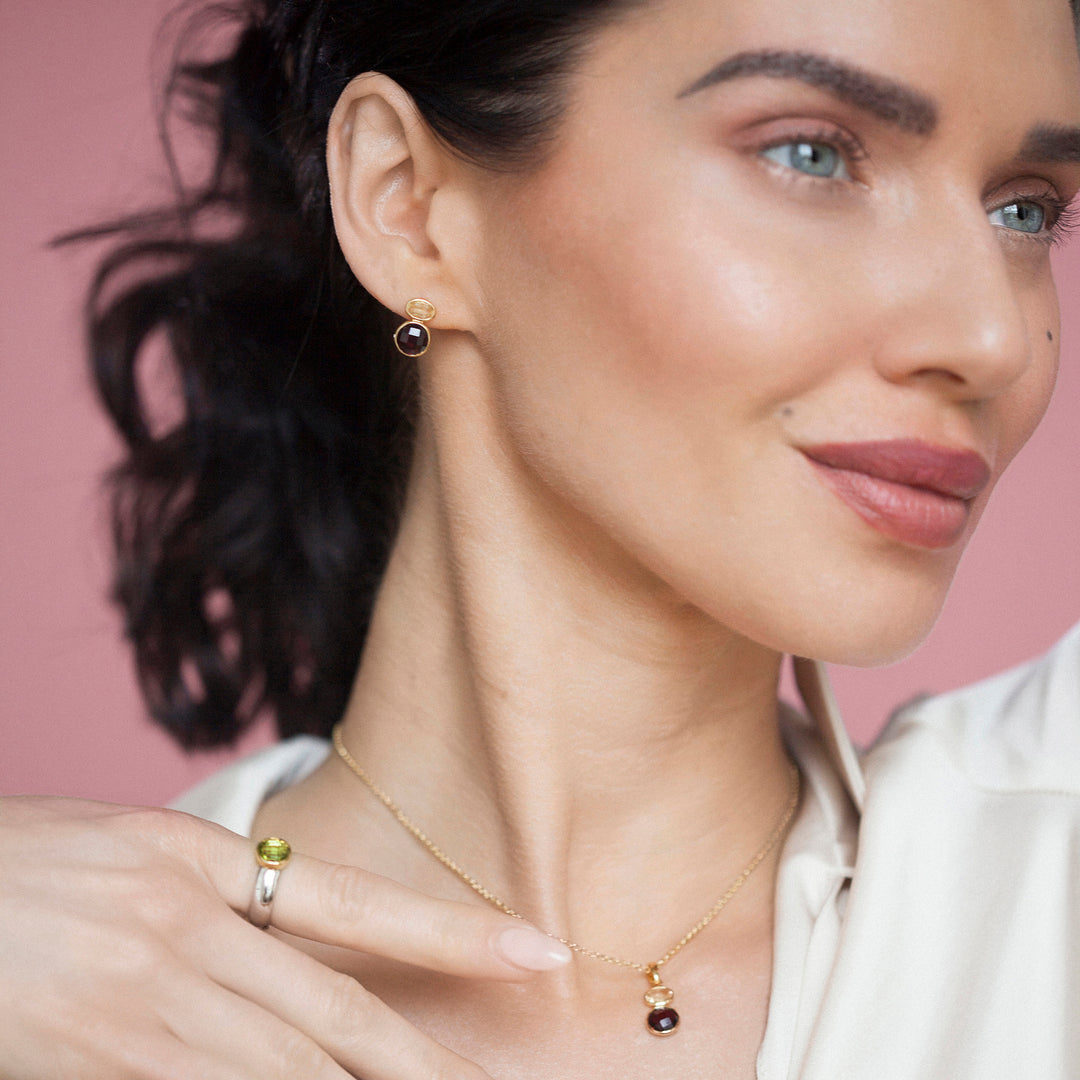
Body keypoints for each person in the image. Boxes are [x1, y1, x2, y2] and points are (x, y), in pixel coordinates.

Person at [4, 0, 1080, 1076]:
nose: (989, 337)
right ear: (409, 206)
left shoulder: (1047, 864)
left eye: (1027, 212)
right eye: (812, 154)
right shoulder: (64, 999)